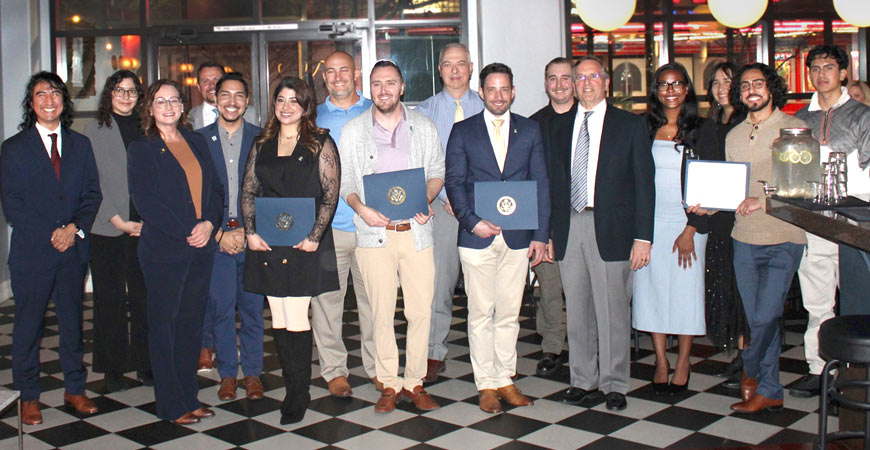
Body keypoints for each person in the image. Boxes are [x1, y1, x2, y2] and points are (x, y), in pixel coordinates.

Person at [548, 56, 654, 411]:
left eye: (593, 76)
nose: (586, 83)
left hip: (613, 228)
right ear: (574, 85)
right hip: (569, 225)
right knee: (576, 308)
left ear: (606, 82)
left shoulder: (630, 125)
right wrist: (548, 232)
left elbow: (644, 184)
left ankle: (614, 383)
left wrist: (643, 237)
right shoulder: (560, 127)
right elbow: (552, 185)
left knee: (612, 311)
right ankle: (582, 379)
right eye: (580, 78)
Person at [338, 60, 444, 414]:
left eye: (391, 83)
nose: (384, 90)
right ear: (370, 89)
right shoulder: (353, 130)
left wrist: (424, 198)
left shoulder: (424, 126)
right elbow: (346, 182)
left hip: (416, 233)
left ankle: (414, 381)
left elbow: (437, 173)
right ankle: (388, 382)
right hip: (373, 235)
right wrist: (361, 209)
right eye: (377, 84)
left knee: (419, 312)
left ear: (402, 87)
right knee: (380, 314)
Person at [445, 62, 550, 413]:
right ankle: (485, 384)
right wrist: (472, 221)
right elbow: (454, 183)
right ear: (482, 93)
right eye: (492, 89)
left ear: (513, 91)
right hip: (477, 237)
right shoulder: (463, 131)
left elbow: (541, 184)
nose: (499, 96)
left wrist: (540, 234)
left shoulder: (531, 130)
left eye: (505, 89)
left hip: (519, 238)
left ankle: (505, 378)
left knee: (508, 314)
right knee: (479, 313)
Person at [1, 71, 103, 425]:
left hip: (72, 251)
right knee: (28, 326)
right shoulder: (13, 148)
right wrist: (54, 232)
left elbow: (93, 194)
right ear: (31, 103)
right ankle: (28, 396)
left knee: (73, 323)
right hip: (32, 253)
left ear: (64, 100)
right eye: (41, 94)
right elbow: (13, 205)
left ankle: (75, 388)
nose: (49, 100)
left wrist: (72, 229)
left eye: (55, 93)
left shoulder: (80, 144)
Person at [241, 76, 340, 424]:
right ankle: (290, 386)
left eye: (293, 101)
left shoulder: (320, 142)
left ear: (305, 106)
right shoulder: (262, 142)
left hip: (305, 243)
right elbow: (249, 190)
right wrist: (250, 232)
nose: (286, 107)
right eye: (281, 100)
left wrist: (314, 235)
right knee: (279, 318)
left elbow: (330, 194)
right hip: (267, 241)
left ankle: (299, 393)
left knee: (297, 317)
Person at [128, 79, 224, 424]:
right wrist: (189, 230)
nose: (168, 107)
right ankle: (170, 404)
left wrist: (210, 224)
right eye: (160, 101)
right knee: (164, 327)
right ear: (149, 108)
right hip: (164, 251)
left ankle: (188, 395)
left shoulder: (196, 140)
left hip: (201, 248)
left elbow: (216, 189)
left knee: (190, 326)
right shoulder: (142, 148)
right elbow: (145, 202)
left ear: (183, 107)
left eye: (174, 101)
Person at [726, 63, 806, 414]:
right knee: (761, 316)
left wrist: (764, 201)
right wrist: (705, 205)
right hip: (744, 237)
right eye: (745, 85)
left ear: (771, 88)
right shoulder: (733, 134)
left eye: (758, 83)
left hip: (784, 235)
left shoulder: (792, 128)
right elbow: (730, 190)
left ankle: (751, 365)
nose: (751, 90)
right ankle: (770, 388)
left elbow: (805, 185)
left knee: (765, 315)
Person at [791, 45, 870, 397]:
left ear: (843, 73)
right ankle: (817, 367)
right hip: (812, 220)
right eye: (815, 68)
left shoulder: (861, 115)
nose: (821, 73)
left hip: (853, 220)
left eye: (829, 67)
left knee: (855, 301)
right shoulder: (799, 119)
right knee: (816, 299)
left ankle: (852, 375)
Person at [634, 62, 708, 395]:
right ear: (655, 91)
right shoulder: (643, 127)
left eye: (677, 84)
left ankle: (684, 360)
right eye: (663, 85)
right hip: (650, 222)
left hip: (686, 224)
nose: (670, 91)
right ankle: (661, 359)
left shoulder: (702, 129)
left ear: (687, 89)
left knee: (685, 293)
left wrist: (691, 229)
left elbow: (711, 184)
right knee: (651, 291)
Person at [415, 43, 484, 383]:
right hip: (441, 209)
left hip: (482, 211)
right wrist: (443, 196)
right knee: (439, 285)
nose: (455, 70)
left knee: (483, 288)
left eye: (461, 64)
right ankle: (433, 352)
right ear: (439, 70)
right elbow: (421, 162)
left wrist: (471, 202)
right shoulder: (424, 112)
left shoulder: (488, 107)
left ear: (471, 68)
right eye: (448, 64)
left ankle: (486, 356)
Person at [311, 50, 378, 397]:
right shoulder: (312, 118)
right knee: (326, 303)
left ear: (357, 74)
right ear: (324, 78)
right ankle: (334, 370)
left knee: (375, 303)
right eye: (331, 71)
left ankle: (376, 367)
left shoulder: (376, 110)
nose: (338, 77)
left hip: (371, 227)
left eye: (344, 70)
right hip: (330, 229)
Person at [196, 73, 266, 401]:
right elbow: (195, 195)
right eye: (225, 95)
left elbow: (270, 192)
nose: (232, 102)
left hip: (252, 239)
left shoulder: (263, 138)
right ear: (215, 98)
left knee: (252, 309)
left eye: (239, 95)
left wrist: (247, 231)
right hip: (217, 239)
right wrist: (221, 232)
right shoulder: (198, 140)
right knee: (221, 309)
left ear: (247, 100)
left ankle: (252, 373)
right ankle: (227, 375)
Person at [85, 70, 151, 393]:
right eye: (119, 91)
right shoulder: (93, 131)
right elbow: (92, 181)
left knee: (144, 297)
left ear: (140, 97)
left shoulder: (148, 129)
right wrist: (117, 220)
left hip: (145, 226)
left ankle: (146, 363)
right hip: (108, 227)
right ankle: (112, 368)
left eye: (131, 92)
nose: (125, 97)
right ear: (108, 95)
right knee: (109, 299)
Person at [701, 62, 749, 389]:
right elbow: (703, 169)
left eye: (727, 81)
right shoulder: (711, 124)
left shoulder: (747, 122)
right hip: (717, 218)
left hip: (743, 217)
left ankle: (748, 357)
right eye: (715, 82)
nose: (721, 87)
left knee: (743, 289)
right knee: (724, 287)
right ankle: (737, 353)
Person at [528, 57, 572, 376]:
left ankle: (584, 342)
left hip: (582, 219)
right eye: (552, 79)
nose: (558, 84)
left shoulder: (589, 121)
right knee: (550, 286)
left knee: (580, 287)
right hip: (543, 219)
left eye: (565, 78)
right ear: (545, 83)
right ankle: (553, 346)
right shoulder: (533, 126)